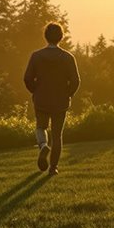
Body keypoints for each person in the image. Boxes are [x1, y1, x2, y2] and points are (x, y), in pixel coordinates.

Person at [23, 22, 80, 176]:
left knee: (40, 127)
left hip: (41, 99)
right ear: (61, 37)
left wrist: (35, 91)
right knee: (57, 135)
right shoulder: (68, 57)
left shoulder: (36, 56)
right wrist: (68, 94)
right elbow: (75, 81)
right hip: (60, 101)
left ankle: (42, 145)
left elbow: (27, 78)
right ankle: (53, 168)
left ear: (45, 36)